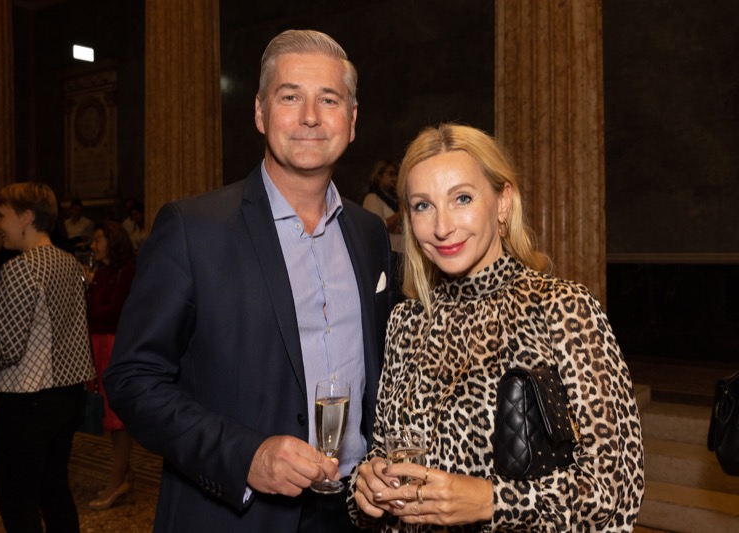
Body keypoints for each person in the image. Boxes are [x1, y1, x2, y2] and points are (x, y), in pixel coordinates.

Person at [103, 29, 393, 532]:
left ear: (351, 121)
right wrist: (246, 456)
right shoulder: (194, 229)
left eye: (329, 99)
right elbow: (132, 380)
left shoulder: (369, 234)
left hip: (353, 511)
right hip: (234, 514)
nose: (310, 116)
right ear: (260, 113)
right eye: (290, 97)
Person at [348, 124, 644, 532]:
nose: (442, 226)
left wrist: (490, 501)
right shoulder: (405, 323)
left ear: (503, 202)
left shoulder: (562, 309)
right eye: (423, 205)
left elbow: (615, 490)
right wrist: (366, 488)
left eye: (462, 198)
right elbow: (386, 454)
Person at [0, 182, 94, 533]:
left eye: (2, 216)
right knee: (54, 492)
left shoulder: (21, 269)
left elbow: (8, 350)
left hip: (28, 403)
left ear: (26, 217)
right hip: (68, 396)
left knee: (18, 506)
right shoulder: (70, 264)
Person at [84, 220, 137, 510]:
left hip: (116, 345)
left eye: (98, 240)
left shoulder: (127, 271)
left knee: (119, 418)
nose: (93, 246)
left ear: (112, 241)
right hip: (98, 343)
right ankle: (123, 475)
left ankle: (116, 481)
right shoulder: (103, 272)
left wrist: (91, 304)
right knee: (108, 417)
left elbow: (113, 312)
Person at [363, 160, 404, 303]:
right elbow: (376, 226)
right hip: (387, 259)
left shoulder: (393, 198)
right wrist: (400, 213)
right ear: (379, 176)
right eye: (391, 174)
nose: (394, 178)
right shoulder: (372, 198)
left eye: (396, 174)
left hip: (402, 255)